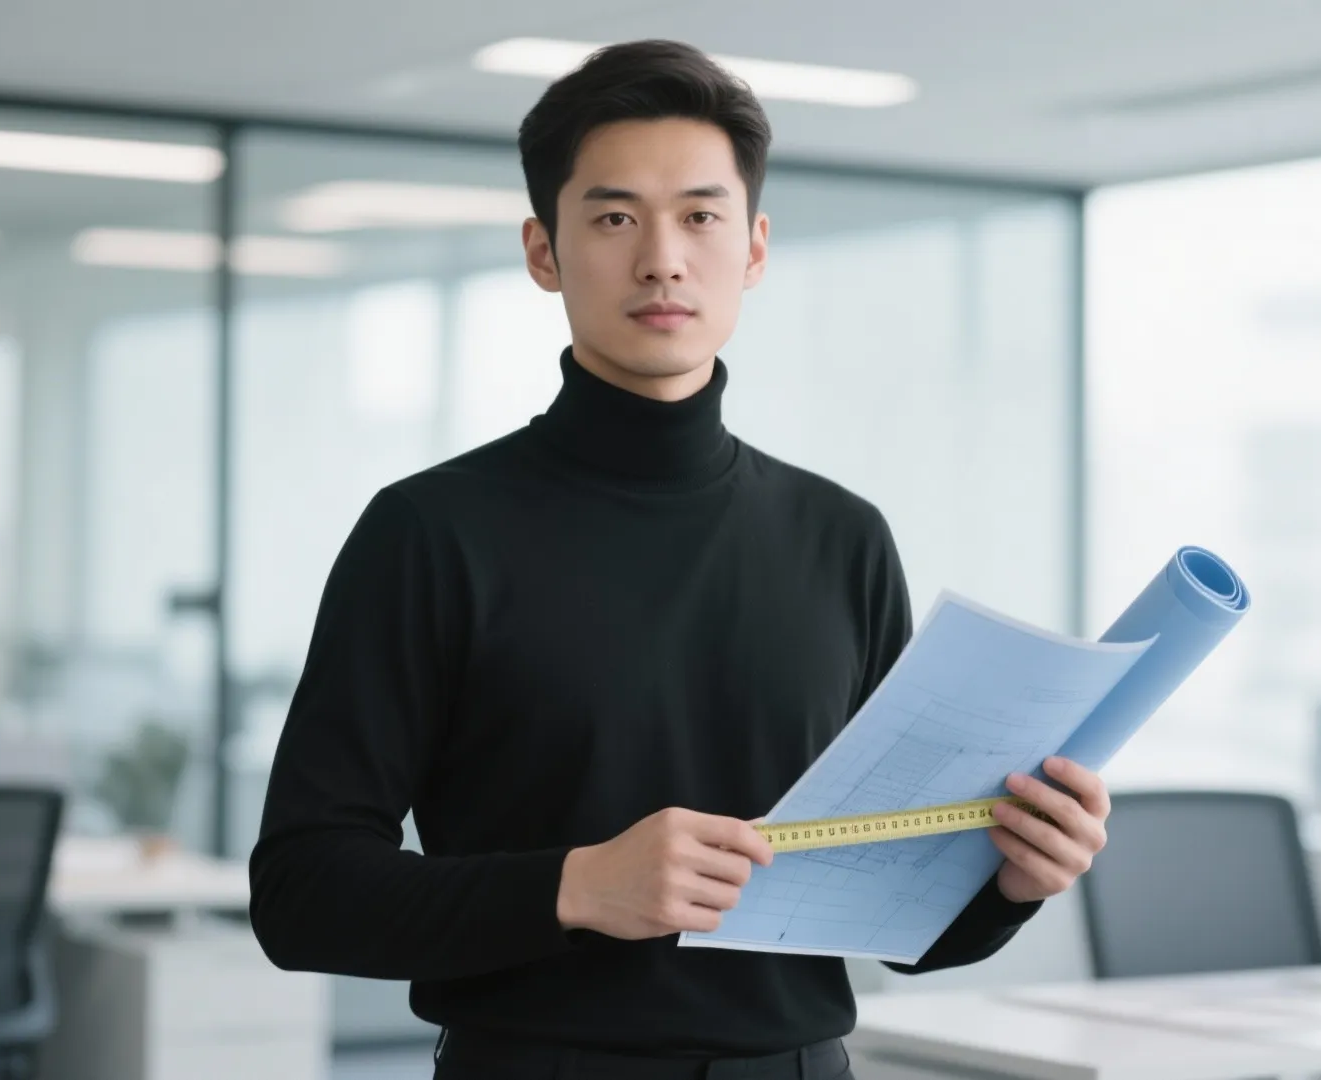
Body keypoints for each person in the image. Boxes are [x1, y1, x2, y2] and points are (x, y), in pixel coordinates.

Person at [249, 38, 1113, 1080]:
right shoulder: (432, 531)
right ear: (543, 251)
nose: (662, 257)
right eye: (614, 218)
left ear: (752, 249)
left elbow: (899, 910)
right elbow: (301, 895)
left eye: (700, 217)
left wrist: (1015, 880)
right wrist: (576, 886)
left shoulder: (840, 537)